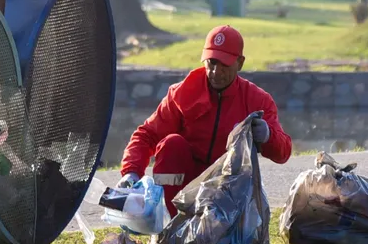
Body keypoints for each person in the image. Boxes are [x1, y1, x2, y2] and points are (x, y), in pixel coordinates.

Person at [118, 25, 293, 214]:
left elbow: (283, 153)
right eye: (211, 62)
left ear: (240, 63)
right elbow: (146, 135)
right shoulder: (182, 93)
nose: (216, 72)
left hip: (227, 189)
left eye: (224, 64)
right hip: (184, 188)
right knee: (171, 144)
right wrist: (131, 172)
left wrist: (267, 136)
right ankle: (168, 225)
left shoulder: (258, 100)